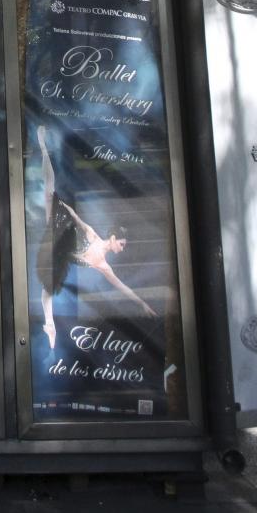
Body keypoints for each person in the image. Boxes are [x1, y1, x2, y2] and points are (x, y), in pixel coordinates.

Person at [36, 125, 157, 350]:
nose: (122, 248)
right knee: (49, 191)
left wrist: (141, 304)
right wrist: (62, 207)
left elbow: (123, 288)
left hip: (59, 251)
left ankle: (49, 327)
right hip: (60, 230)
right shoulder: (92, 235)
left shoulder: (103, 265)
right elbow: (77, 221)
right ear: (112, 238)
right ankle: (44, 148)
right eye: (121, 243)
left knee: (50, 287)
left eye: (123, 245)